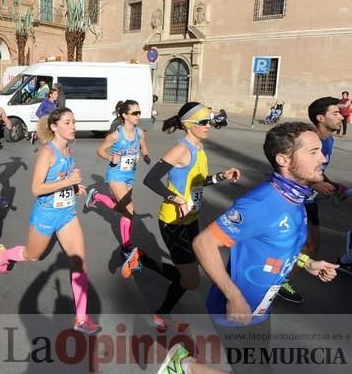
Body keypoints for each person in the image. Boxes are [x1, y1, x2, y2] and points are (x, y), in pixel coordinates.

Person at [193, 122, 339, 374]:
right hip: (236, 308)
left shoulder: (294, 198)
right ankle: (186, 367)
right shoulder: (261, 203)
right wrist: (234, 297)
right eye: (313, 152)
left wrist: (307, 263)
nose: (323, 158)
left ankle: (187, 366)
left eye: (321, 151)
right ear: (283, 158)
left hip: (260, 305)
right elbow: (203, 243)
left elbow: (276, 244)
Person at [128, 102, 240, 330]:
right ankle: (141, 259)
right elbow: (151, 179)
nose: (209, 125)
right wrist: (175, 198)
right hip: (173, 221)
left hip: (190, 219)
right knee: (191, 280)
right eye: (204, 122)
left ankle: (161, 314)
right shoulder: (181, 149)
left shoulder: (199, 148)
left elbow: (198, 183)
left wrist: (221, 176)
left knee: (188, 273)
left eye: (210, 121)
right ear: (189, 125)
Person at [0, 108, 101, 335]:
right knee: (33, 255)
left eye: (74, 121)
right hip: (46, 216)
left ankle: (81, 319)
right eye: (68, 122)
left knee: (79, 264)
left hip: (67, 215)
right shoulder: (47, 152)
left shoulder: (68, 149)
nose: (73, 126)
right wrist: (69, 181)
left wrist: (74, 187)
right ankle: (4, 255)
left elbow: (63, 178)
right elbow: (36, 188)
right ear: (54, 127)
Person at [276, 97, 343, 304]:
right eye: (336, 113)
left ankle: (279, 275)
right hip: (294, 201)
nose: (341, 117)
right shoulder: (308, 140)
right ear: (320, 118)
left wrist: (333, 185)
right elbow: (286, 169)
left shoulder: (329, 141)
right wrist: (315, 184)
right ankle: (278, 279)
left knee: (312, 246)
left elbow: (318, 171)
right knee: (292, 244)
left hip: (309, 201)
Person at [85, 100, 151, 258]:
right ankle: (126, 247)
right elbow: (100, 150)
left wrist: (146, 155)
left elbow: (143, 146)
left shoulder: (139, 132)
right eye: (135, 113)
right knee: (129, 211)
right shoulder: (115, 135)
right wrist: (110, 156)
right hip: (116, 176)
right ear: (124, 115)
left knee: (120, 208)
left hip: (130, 176)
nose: (138, 116)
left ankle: (97, 196)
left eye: (139, 113)